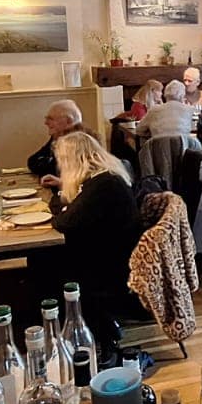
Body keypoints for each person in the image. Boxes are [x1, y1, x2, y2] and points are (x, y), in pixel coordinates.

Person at [49, 131, 141, 363]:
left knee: (46, 264)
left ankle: (94, 330)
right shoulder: (103, 177)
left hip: (110, 266)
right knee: (46, 261)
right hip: (112, 254)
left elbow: (64, 221)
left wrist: (61, 208)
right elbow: (69, 210)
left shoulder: (103, 185)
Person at [28, 99, 87, 188]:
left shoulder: (82, 143)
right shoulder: (57, 136)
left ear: (69, 121)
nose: (46, 123)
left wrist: (48, 164)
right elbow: (32, 161)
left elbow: (84, 181)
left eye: (51, 119)